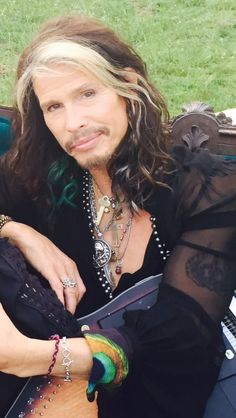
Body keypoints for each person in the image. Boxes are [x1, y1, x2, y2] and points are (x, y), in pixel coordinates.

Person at [0, 15, 236, 418]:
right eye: (54, 106)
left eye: (87, 93)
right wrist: (17, 230)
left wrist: (33, 357)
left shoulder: (206, 189)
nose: (73, 123)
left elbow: (182, 338)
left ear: (128, 86)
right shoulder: (44, 178)